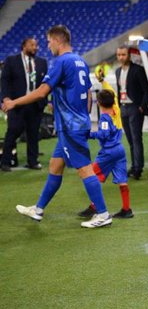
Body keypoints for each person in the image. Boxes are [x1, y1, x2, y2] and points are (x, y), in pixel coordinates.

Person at [8, 25, 111, 228]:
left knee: (84, 169)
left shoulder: (61, 62)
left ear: (57, 40)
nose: (48, 45)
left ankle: (103, 213)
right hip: (75, 123)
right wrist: (83, 117)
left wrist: (14, 103)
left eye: (48, 41)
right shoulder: (80, 60)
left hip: (70, 127)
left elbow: (40, 93)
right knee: (55, 166)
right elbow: (89, 94)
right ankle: (38, 209)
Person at [77, 90, 134, 219]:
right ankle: (126, 209)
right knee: (122, 181)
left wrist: (89, 134)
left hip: (108, 152)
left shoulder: (104, 117)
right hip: (119, 150)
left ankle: (95, 207)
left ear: (99, 103)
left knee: (91, 175)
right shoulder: (116, 112)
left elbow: (104, 134)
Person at [1, 37, 47, 171]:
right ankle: (5, 161)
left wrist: (46, 101)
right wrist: (5, 99)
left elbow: (45, 84)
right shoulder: (11, 61)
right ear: (24, 46)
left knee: (33, 134)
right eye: (32, 45)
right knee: (13, 132)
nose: (35, 47)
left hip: (35, 104)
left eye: (36, 45)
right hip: (17, 103)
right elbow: (4, 81)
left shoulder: (42, 62)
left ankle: (33, 161)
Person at [115, 46, 148, 180]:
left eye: (123, 55)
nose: (121, 57)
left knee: (136, 138)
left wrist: (141, 107)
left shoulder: (138, 70)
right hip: (123, 107)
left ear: (129, 56)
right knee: (130, 139)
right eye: (119, 55)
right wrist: (118, 106)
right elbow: (119, 91)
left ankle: (138, 168)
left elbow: (147, 91)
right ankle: (134, 166)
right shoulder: (118, 71)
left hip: (135, 108)